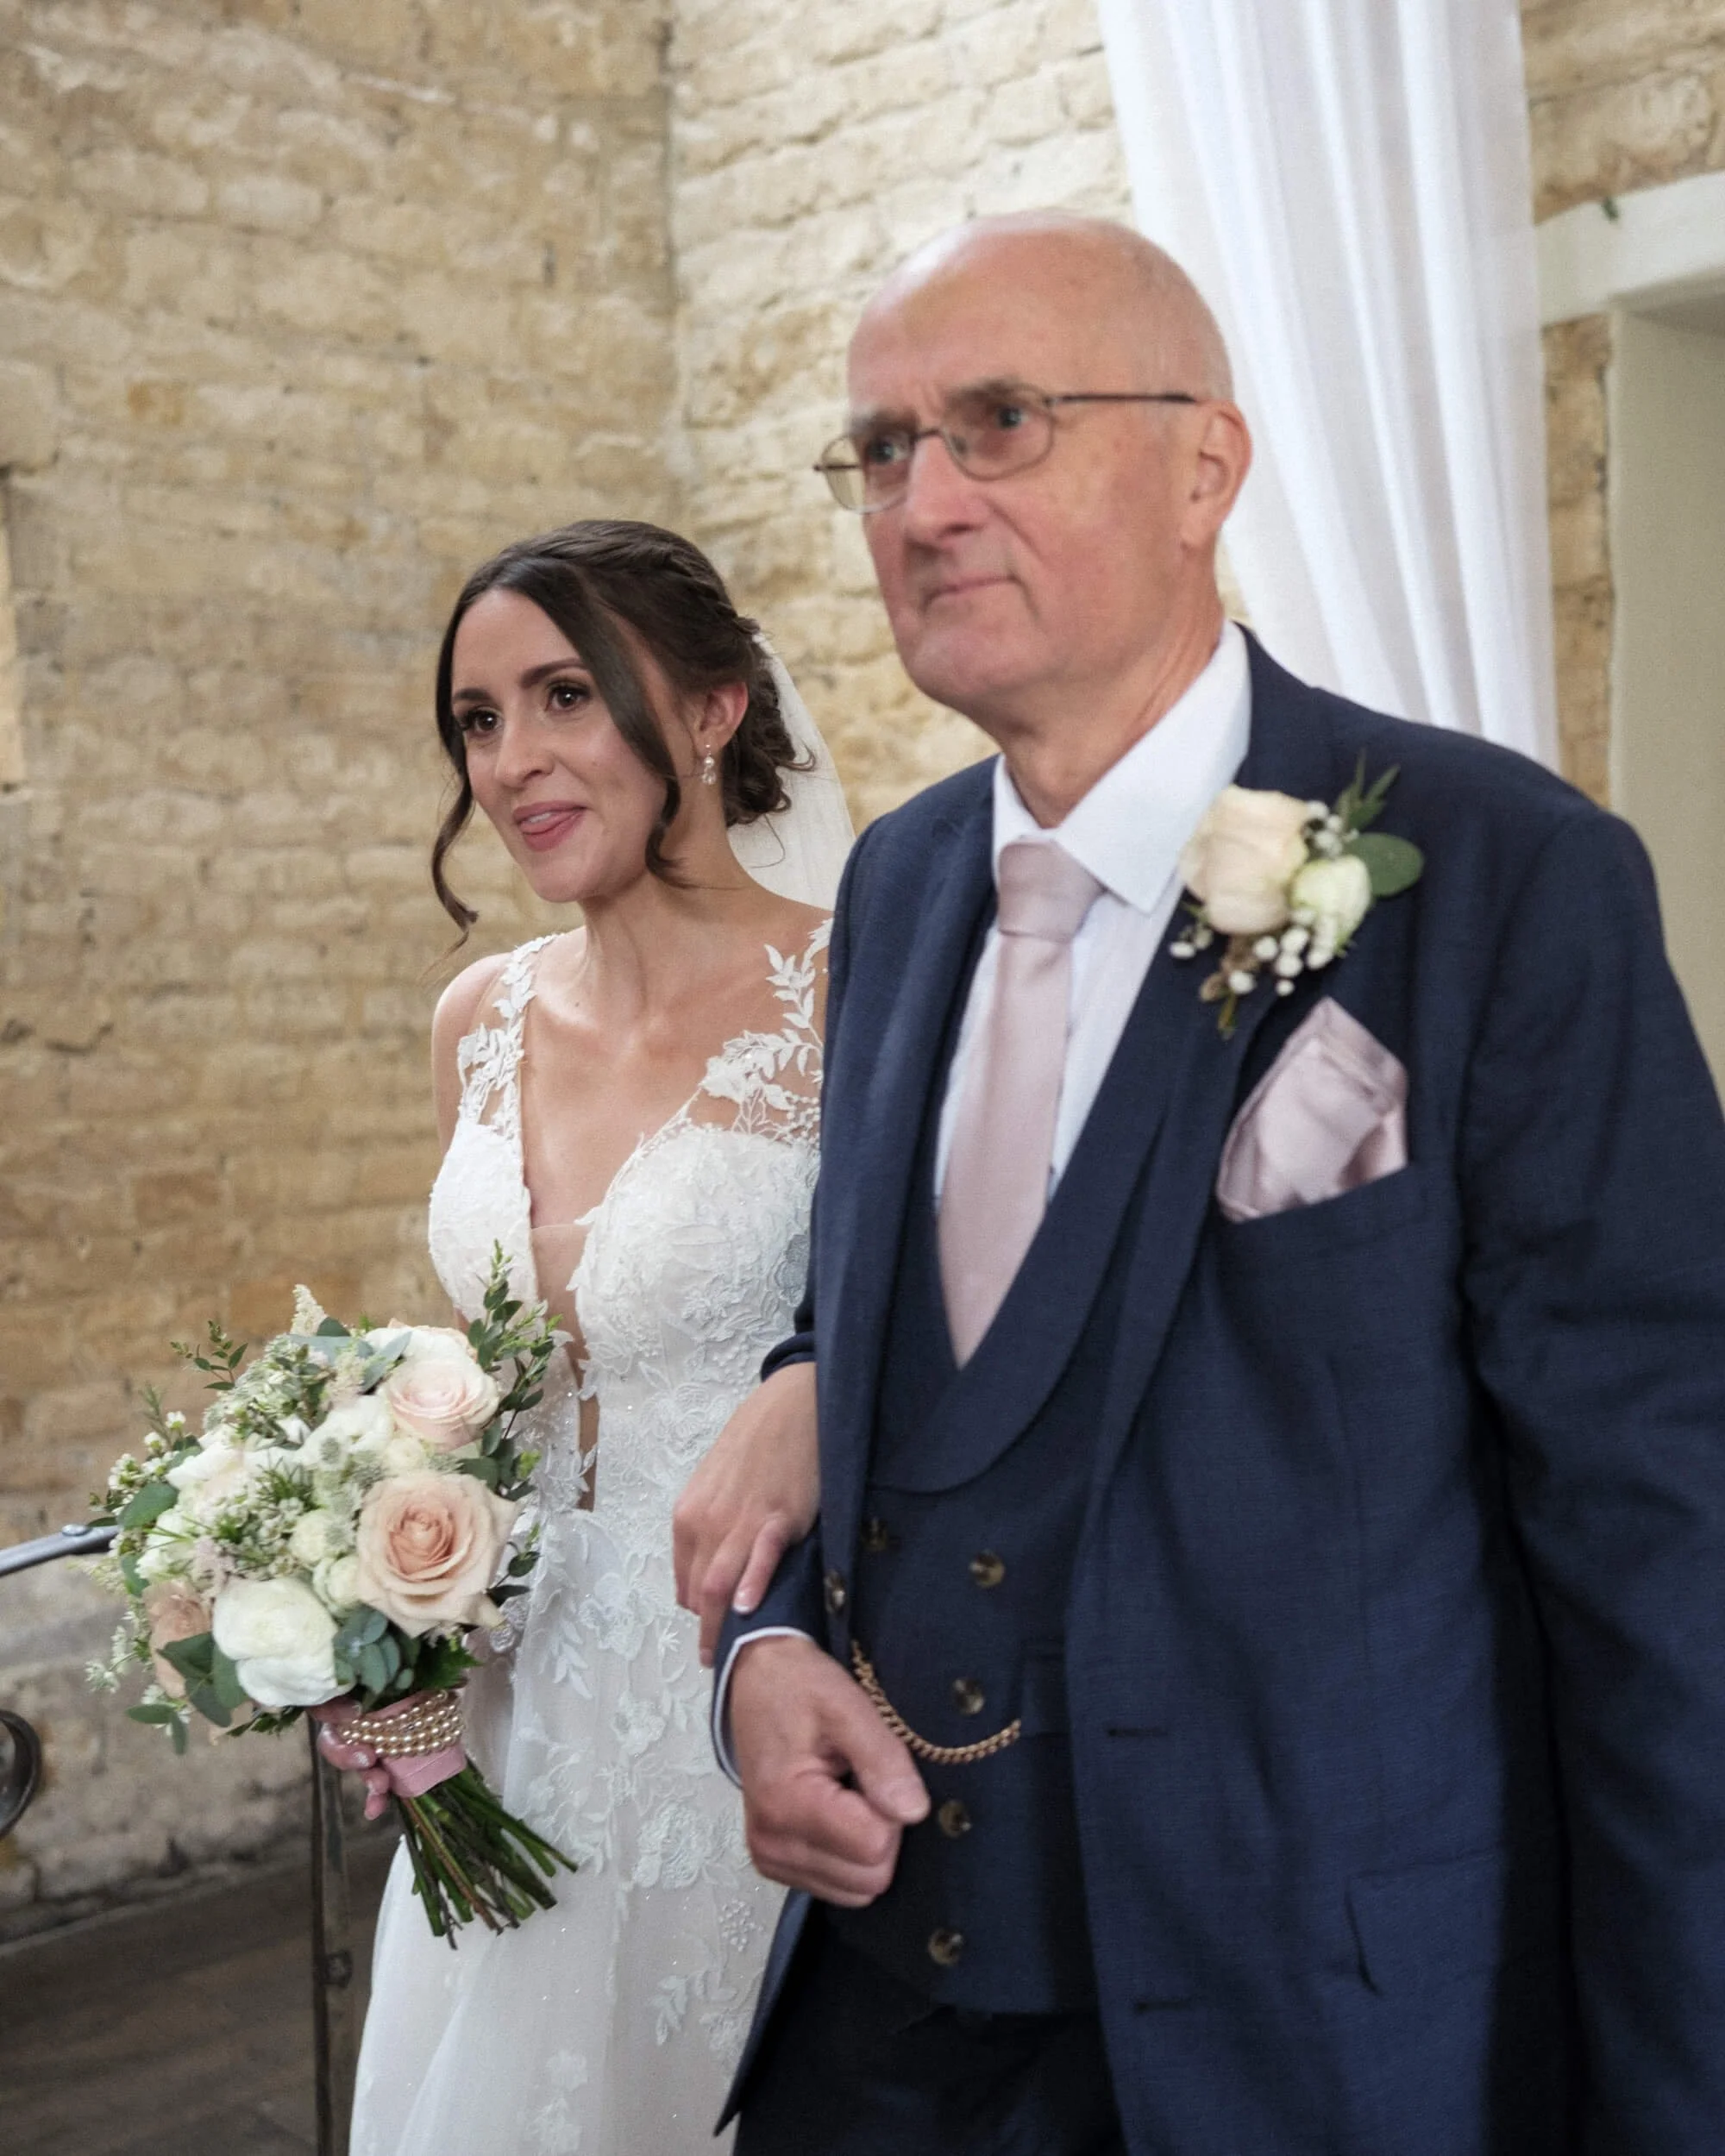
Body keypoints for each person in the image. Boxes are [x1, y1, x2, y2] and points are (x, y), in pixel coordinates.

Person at [682, 215, 1725, 2153]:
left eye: (1001, 421)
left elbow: (1664, 1556)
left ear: (1203, 469)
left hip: (1309, 2043)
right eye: (884, 449)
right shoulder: (898, 884)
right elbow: (878, 1342)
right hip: (877, 2051)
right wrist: (759, 1655)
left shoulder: (1501, 875)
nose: (926, 502)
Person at [348, 520, 853, 2156]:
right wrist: (367, 1623)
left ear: (712, 709)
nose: (513, 761)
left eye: (566, 695)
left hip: (738, 1690)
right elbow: (472, 1395)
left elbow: (928, 1339)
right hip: (503, 1718)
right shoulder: (478, 1019)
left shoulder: (850, 994)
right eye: (478, 719)